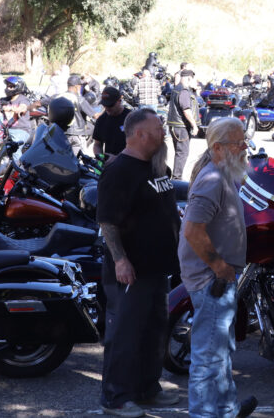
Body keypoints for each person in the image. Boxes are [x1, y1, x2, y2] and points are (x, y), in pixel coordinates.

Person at [97, 108, 181, 417]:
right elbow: (107, 222)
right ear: (139, 134)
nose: (163, 133)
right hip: (131, 271)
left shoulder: (157, 167)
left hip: (157, 268)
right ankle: (116, 397)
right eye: (158, 128)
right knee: (126, 335)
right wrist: (120, 260)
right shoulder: (119, 170)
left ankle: (147, 389)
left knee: (153, 332)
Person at [178, 118, 257, 418]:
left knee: (220, 354)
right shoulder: (212, 179)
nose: (245, 146)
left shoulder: (222, 173)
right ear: (218, 148)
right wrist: (220, 267)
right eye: (239, 143)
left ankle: (226, 409)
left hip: (217, 278)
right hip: (212, 279)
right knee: (208, 358)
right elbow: (192, 231)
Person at [167, 69, 200, 180]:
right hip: (181, 127)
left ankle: (176, 177)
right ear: (189, 78)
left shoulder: (177, 88)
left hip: (176, 126)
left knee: (179, 152)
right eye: (193, 79)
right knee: (182, 153)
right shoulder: (184, 91)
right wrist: (194, 125)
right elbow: (186, 110)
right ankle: (177, 179)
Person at [94, 86, 131, 162]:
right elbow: (97, 144)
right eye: (105, 105)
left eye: (110, 105)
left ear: (119, 101)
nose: (107, 108)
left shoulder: (132, 118)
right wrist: (100, 159)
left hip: (130, 164)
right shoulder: (101, 120)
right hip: (109, 165)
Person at [2, 77, 34, 146]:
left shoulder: (23, 99)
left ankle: (19, 157)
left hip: (21, 130)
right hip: (6, 130)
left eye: (11, 86)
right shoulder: (4, 100)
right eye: (7, 86)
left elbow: (22, 108)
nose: (8, 88)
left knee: (14, 149)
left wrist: (10, 108)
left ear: (18, 87)